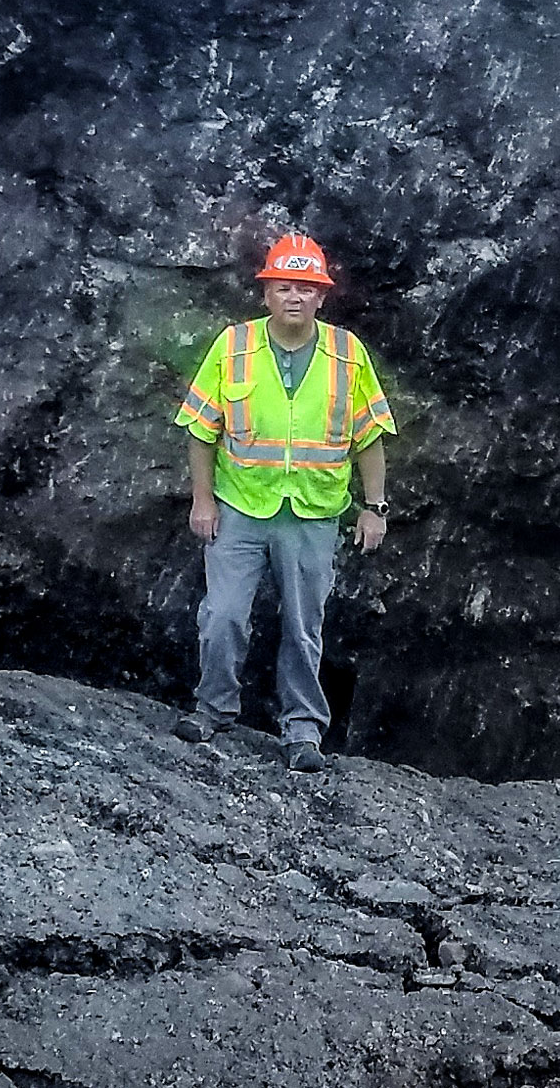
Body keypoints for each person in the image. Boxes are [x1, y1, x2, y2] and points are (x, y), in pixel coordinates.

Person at [171, 232, 395, 771]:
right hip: (241, 507)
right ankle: (213, 709)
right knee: (223, 615)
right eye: (283, 287)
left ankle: (301, 731)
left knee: (302, 627)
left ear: (321, 296)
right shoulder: (233, 346)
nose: (294, 296)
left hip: (313, 514)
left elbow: (369, 436)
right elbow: (200, 430)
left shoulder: (347, 353)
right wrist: (203, 501)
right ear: (265, 292)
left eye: (305, 288)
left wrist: (375, 506)